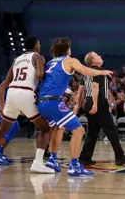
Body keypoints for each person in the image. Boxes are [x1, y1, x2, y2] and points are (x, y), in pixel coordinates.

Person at [37, 38, 113, 176]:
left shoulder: (50, 63)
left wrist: (69, 92)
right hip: (54, 103)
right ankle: (74, 165)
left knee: (58, 128)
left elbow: (49, 81)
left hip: (42, 102)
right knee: (79, 130)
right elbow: (85, 70)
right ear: (67, 49)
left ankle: (52, 159)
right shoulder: (70, 60)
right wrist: (102, 72)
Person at [0, 36, 53, 173]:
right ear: (36, 45)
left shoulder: (16, 60)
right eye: (39, 43)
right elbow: (41, 75)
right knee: (45, 129)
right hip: (26, 94)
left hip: (11, 94)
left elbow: (2, 86)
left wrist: (1, 104)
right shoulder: (38, 57)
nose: (40, 46)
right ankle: (37, 162)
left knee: (1, 130)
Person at [78, 51, 125, 166]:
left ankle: (84, 157)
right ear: (93, 61)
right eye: (97, 55)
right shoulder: (99, 71)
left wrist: (78, 106)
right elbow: (95, 87)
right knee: (111, 129)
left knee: (92, 133)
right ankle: (120, 156)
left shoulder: (86, 73)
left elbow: (80, 91)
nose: (100, 55)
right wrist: (95, 104)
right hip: (97, 102)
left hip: (88, 102)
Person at [0, 90, 20, 165]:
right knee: (9, 125)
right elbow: (1, 87)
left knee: (16, 126)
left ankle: (0, 152)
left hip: (6, 103)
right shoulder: (12, 81)